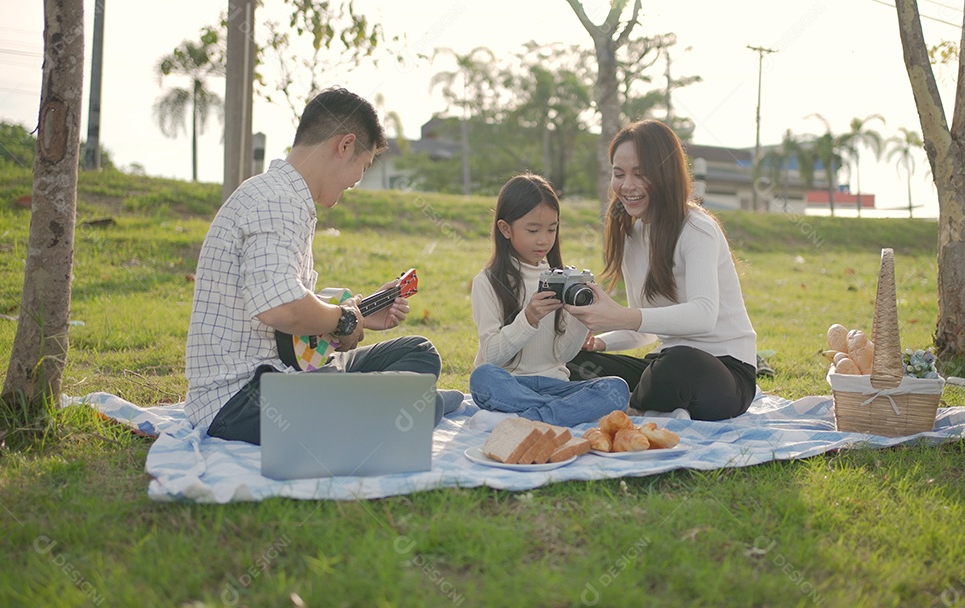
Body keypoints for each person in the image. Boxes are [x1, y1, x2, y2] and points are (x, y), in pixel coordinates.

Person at [184, 87, 461, 445]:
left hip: (289, 371)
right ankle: (401, 404)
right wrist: (345, 320)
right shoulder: (277, 201)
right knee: (417, 399)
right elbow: (280, 307)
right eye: (362, 168)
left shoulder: (283, 196)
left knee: (418, 352)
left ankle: (387, 401)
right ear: (344, 146)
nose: (355, 182)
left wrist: (361, 312)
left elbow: (288, 320)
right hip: (241, 399)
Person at [565, 119, 757, 421]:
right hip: (660, 366)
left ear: (666, 174)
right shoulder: (631, 233)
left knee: (677, 365)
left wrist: (621, 316)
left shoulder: (697, 229)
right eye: (619, 174)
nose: (627, 186)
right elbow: (646, 332)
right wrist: (601, 342)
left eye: (640, 174)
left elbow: (704, 314)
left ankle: (624, 405)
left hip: (722, 373)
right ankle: (644, 407)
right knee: (569, 360)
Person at [469, 174, 630, 427]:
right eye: (533, 230)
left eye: (552, 229)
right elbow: (491, 357)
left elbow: (562, 355)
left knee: (616, 388)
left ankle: (520, 418)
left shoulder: (562, 280)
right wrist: (529, 318)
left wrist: (582, 318)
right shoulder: (487, 282)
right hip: (510, 384)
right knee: (483, 378)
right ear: (505, 229)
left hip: (555, 386)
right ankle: (558, 415)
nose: (544, 239)